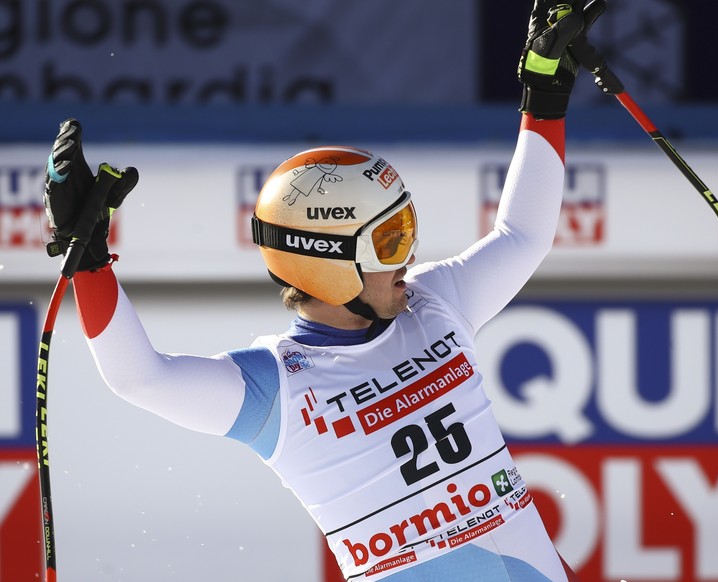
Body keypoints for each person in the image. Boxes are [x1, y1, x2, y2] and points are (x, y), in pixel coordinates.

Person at [43, 1, 605, 579]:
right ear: (326, 265)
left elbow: (523, 234)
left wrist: (544, 95)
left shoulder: (435, 303)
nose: (409, 258)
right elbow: (140, 377)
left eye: (407, 230)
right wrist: (87, 263)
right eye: (388, 241)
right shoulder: (277, 388)